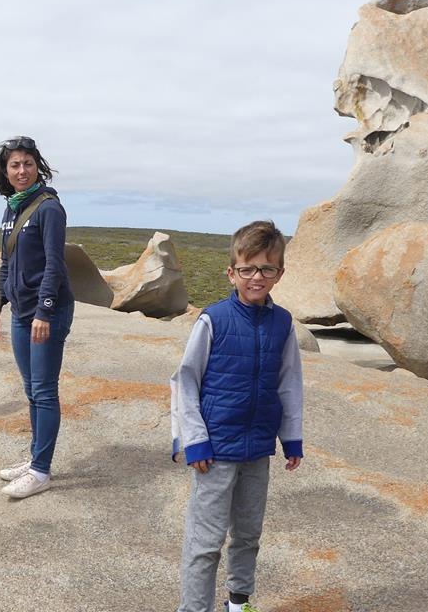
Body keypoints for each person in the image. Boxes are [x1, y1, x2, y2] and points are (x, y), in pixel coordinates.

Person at [169, 221, 306, 612]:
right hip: (214, 452)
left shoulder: (282, 324)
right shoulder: (213, 320)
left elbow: (289, 383)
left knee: (248, 535)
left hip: (257, 449)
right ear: (232, 273)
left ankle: (238, 603)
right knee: (206, 542)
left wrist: (291, 438)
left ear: (279, 273)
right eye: (247, 269)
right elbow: (186, 381)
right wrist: (193, 441)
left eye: (266, 269)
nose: (256, 277)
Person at [0, 136, 70, 499]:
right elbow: (7, 261)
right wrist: (0, 303)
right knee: (30, 389)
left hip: (45, 312)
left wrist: (44, 311)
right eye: (14, 165)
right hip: (22, 311)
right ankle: (36, 456)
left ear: (37, 166)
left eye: (27, 163)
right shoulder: (13, 208)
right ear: (5, 172)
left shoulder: (49, 208)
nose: (22, 170)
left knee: (44, 390)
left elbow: (55, 263)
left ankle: (41, 471)